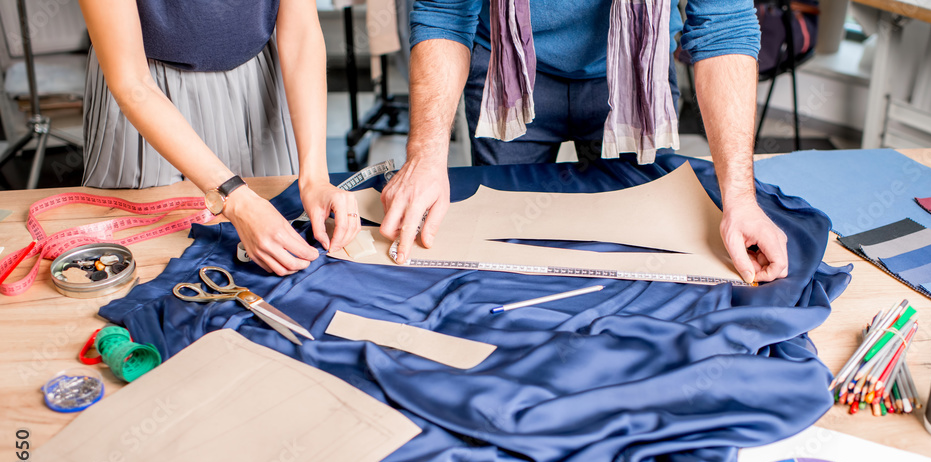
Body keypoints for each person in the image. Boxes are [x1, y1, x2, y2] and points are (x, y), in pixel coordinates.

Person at [379, 0, 789, 285]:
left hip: (635, 71)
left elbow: (724, 25)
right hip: (508, 66)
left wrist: (739, 199)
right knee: (501, 247)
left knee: (648, 250)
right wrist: (425, 155)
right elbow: (445, 12)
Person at [79, 0, 360, 276]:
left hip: (258, 93)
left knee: (275, 258)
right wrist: (235, 198)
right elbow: (131, 81)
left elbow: (301, 33)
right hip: (147, 97)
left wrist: (315, 179)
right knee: (140, 269)